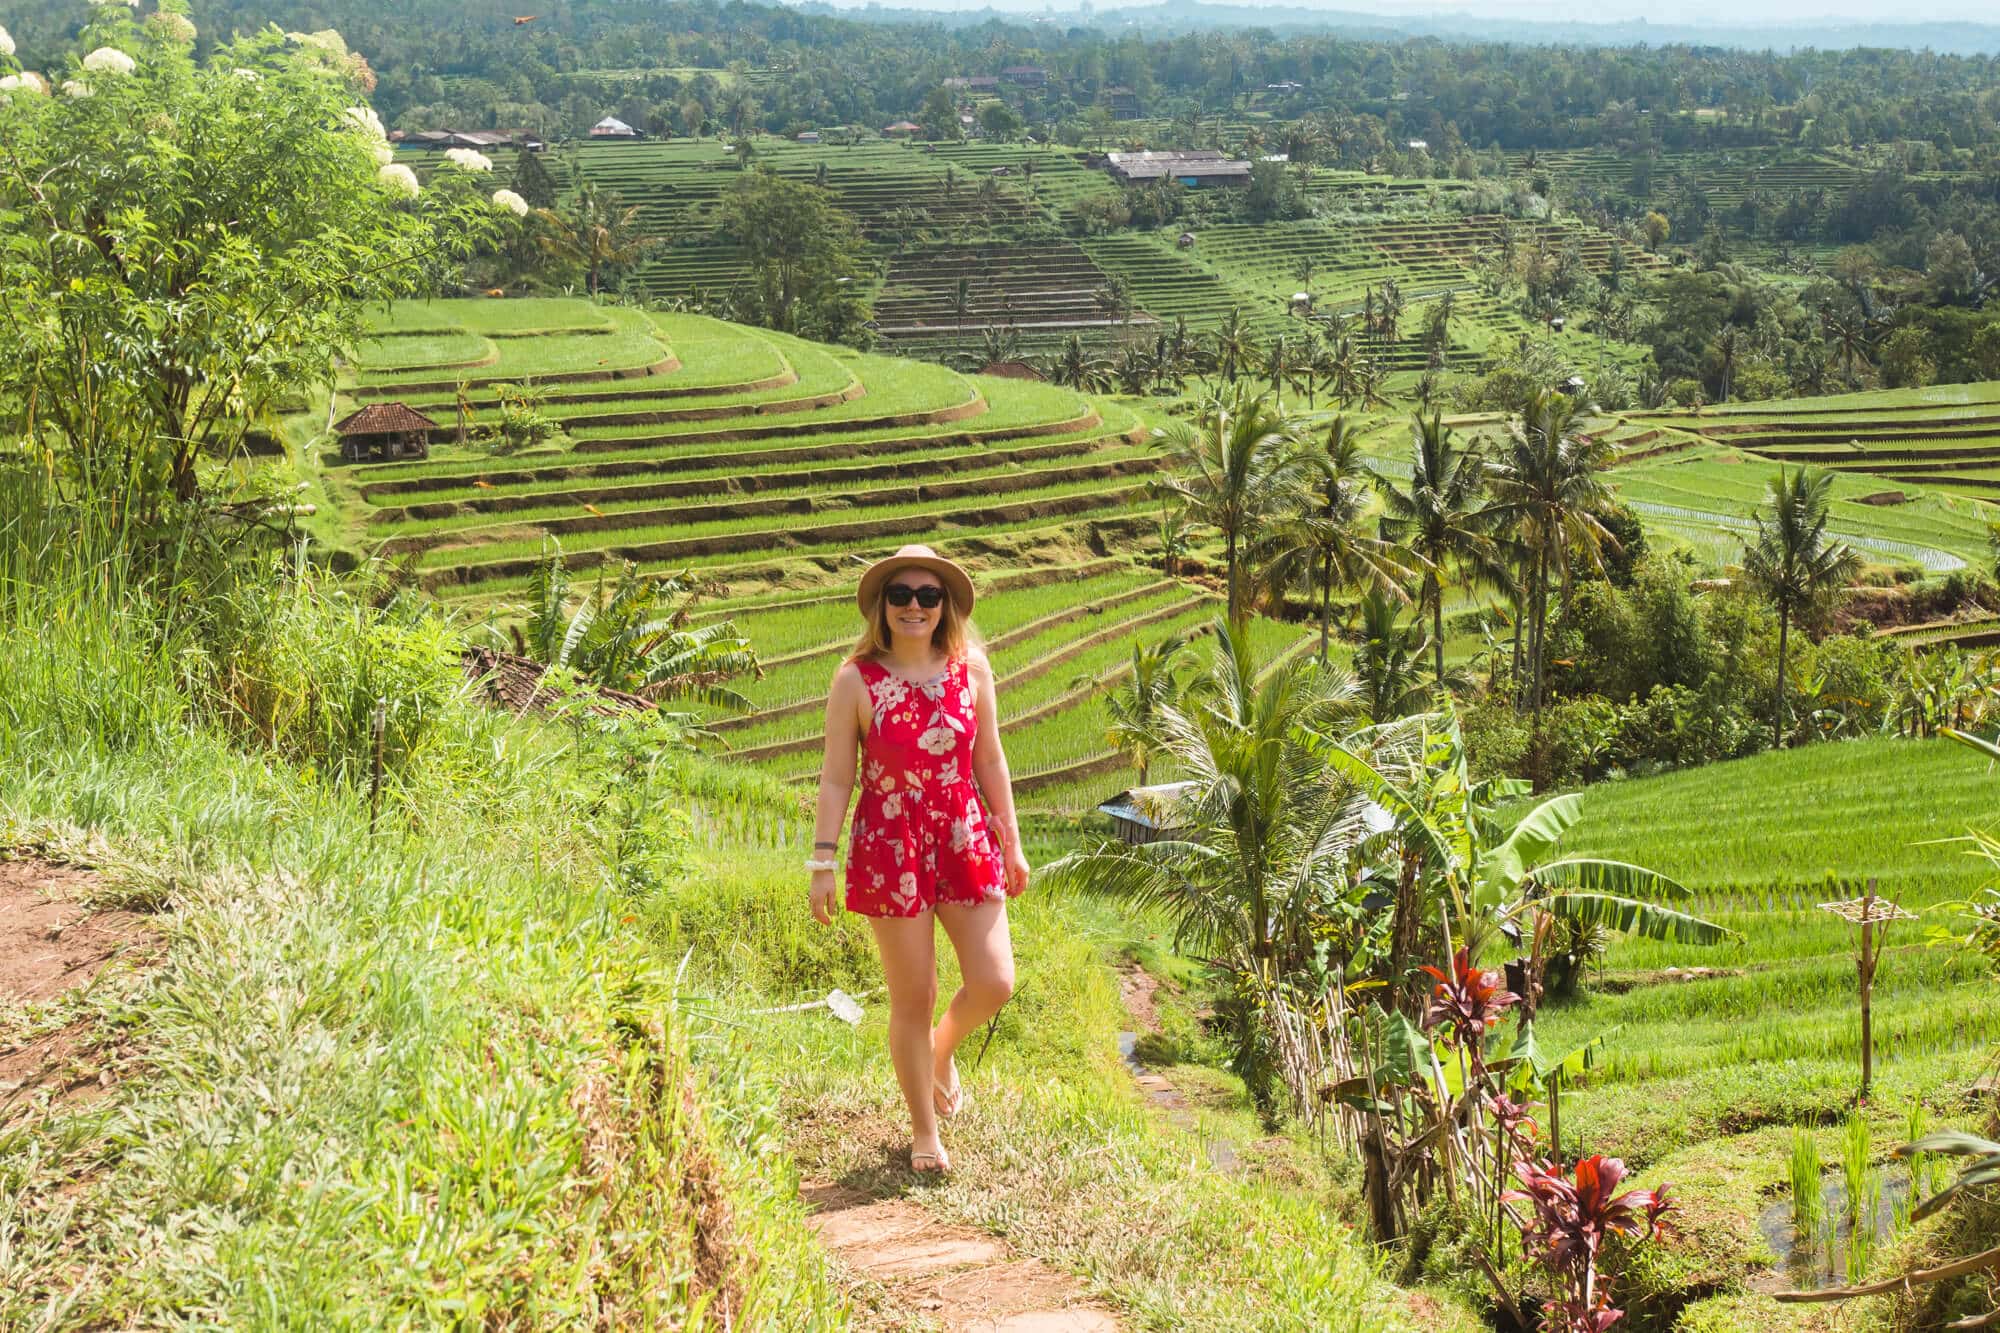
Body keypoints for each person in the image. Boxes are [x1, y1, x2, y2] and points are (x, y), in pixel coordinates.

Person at [809, 545, 1030, 1174]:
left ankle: (940, 1052)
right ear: (882, 605)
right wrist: (822, 864)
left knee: (994, 981)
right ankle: (924, 1132)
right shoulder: (856, 679)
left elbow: (990, 760)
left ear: (945, 607)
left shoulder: (973, 671)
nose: (913, 606)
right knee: (915, 994)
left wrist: (1011, 842)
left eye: (927, 596)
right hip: (890, 842)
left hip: (964, 836)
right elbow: (835, 778)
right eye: (900, 595)